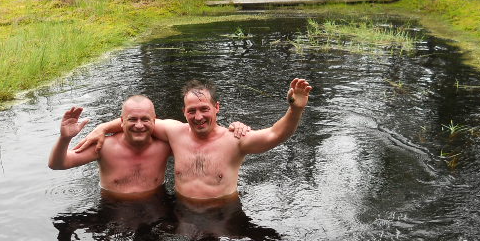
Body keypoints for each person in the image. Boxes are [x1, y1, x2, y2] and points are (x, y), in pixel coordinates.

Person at [74, 78, 312, 205]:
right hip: (181, 212)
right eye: (192, 111)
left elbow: (275, 135)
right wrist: (102, 128)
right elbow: (139, 121)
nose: (198, 117)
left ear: (216, 108)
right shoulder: (174, 132)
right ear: (184, 112)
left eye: (204, 109)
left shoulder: (235, 139)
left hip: (223, 213)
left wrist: (295, 109)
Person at [48, 95, 172, 199]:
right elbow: (58, 164)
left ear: (154, 121)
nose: (139, 125)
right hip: (113, 210)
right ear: (122, 121)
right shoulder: (104, 146)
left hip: (157, 208)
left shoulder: (164, 146)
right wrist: (65, 138)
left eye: (145, 119)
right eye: (132, 119)